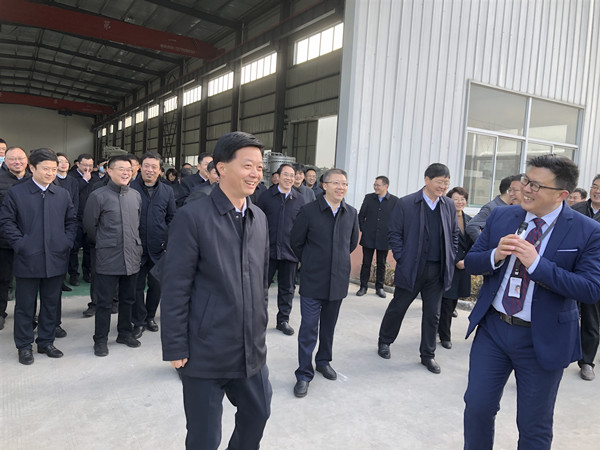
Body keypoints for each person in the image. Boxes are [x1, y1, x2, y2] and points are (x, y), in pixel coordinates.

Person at [462, 155, 600, 449]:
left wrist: (537, 264)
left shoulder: (587, 230)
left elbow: (590, 289)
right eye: (526, 180)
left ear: (562, 194)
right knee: (477, 408)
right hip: (494, 330)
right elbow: (471, 262)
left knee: (533, 425)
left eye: (536, 185)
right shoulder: (502, 216)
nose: (525, 189)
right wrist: (495, 255)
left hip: (543, 339)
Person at [160, 132, 272, 450]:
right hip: (204, 350)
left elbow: (261, 281)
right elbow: (175, 287)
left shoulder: (259, 218)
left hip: (249, 349)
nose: (255, 173)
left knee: (258, 413)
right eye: (247, 165)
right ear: (221, 168)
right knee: (204, 437)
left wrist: (260, 330)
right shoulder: (192, 217)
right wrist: (175, 347)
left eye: (259, 167)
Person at [377, 163, 459, 375]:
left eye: (446, 183)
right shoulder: (406, 203)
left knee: (433, 314)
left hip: (437, 269)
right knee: (399, 307)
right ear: (427, 180)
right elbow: (394, 233)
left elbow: (454, 234)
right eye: (440, 182)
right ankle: (385, 341)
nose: (443, 186)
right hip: (412, 267)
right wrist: (402, 258)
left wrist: (451, 254)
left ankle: (428, 355)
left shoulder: (448, 205)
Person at [0, 148, 77, 365]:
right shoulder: (17, 193)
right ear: (32, 168)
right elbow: (6, 222)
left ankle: (46, 342)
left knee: (51, 303)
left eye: (53, 169)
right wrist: (21, 244)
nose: (50, 173)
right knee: (25, 306)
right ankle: (24, 346)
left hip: (55, 257)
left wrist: (66, 242)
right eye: (45, 169)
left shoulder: (61, 194)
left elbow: (71, 221)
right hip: (27, 258)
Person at [290, 168, 359, 398]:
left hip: (338, 280)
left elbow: (351, 244)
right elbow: (296, 242)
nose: (341, 187)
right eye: (336, 182)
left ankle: (323, 361)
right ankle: (303, 374)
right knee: (308, 328)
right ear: (324, 185)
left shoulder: (351, 213)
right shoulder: (309, 211)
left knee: (328, 327)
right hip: (313, 280)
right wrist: (311, 261)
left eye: (344, 183)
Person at [83, 155, 143, 357]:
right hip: (108, 256)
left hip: (131, 255)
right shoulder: (98, 196)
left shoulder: (135, 195)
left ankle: (124, 333)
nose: (126, 173)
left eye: (129, 169)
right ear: (109, 171)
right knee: (104, 302)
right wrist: (105, 243)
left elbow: (137, 223)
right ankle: (100, 339)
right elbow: (90, 227)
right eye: (121, 169)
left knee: (128, 298)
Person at [130, 152, 176, 338]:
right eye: (146, 166)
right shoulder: (130, 188)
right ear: (140, 167)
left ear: (160, 170)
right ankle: (138, 321)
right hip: (136, 247)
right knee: (136, 286)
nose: (150, 170)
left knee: (156, 286)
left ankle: (150, 317)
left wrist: (168, 240)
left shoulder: (167, 191)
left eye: (154, 167)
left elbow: (172, 217)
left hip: (159, 247)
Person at [257, 163, 305, 336]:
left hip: (289, 252)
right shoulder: (265, 196)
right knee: (261, 288)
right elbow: (256, 222)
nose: (289, 178)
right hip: (267, 251)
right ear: (278, 176)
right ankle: (258, 320)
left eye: (292, 175)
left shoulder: (300, 199)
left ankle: (283, 320)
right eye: (286, 174)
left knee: (287, 289)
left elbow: (302, 227)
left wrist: (300, 252)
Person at [570, 175, 600, 381]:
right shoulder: (576, 210)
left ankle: (587, 362)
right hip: (571, 270)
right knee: (562, 314)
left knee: (591, 318)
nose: (597, 191)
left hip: (595, 274)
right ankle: (557, 355)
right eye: (595, 186)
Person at [438, 187, 473, 349]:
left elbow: (474, 242)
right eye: (456, 199)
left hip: (464, 266)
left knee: (453, 302)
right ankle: (445, 335)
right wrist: (456, 260)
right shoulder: (444, 218)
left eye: (462, 199)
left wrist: (468, 260)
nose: (460, 202)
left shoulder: (469, 220)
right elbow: (443, 243)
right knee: (446, 302)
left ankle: (439, 328)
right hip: (449, 266)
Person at [0, 146, 31, 331]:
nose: (17, 162)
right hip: (4, 240)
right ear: (5, 161)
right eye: (12, 159)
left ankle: (29, 315)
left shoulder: (33, 180)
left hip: (29, 240)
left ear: (27, 160)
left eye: (21, 158)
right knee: (3, 279)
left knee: (29, 281)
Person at [356, 176, 398, 298]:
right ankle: (363, 286)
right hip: (368, 237)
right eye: (374, 185)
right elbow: (361, 215)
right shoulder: (369, 198)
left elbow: (397, 220)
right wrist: (364, 229)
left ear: (386, 186)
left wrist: (391, 233)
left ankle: (379, 287)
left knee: (381, 264)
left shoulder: (395, 201)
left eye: (378, 185)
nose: (375, 187)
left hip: (384, 238)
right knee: (366, 263)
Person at [466, 174, 520, 242]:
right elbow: (472, 226)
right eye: (515, 190)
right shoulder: (491, 208)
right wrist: (484, 244)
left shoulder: (514, 207)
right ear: (508, 190)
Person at [68, 153, 95, 286]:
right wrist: (84, 180)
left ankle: (87, 273)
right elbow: (71, 193)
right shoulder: (71, 177)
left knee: (89, 248)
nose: (88, 168)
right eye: (85, 165)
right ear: (78, 164)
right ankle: (73, 275)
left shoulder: (94, 178)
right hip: (76, 218)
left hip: (90, 219)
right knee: (74, 248)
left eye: (90, 165)